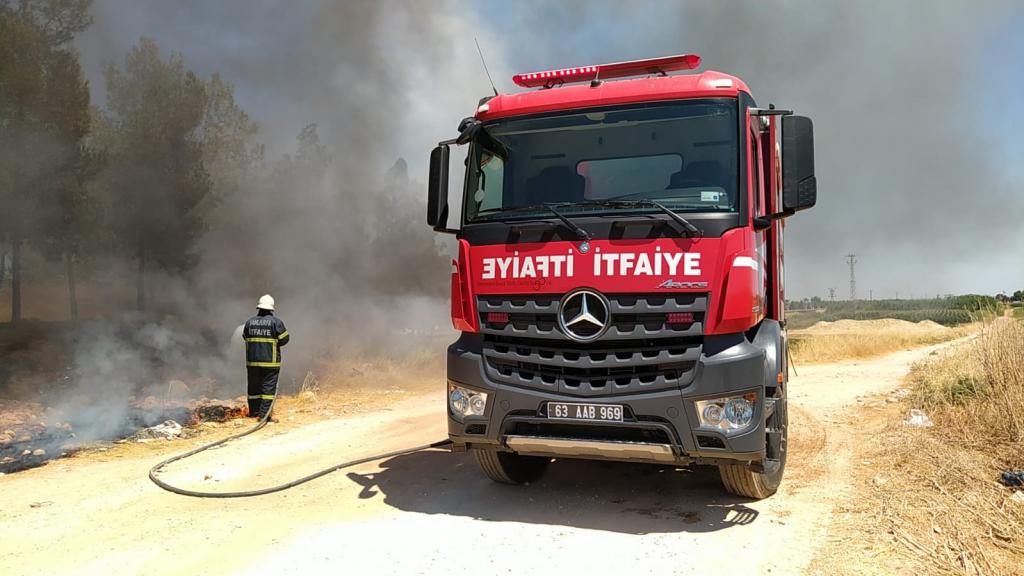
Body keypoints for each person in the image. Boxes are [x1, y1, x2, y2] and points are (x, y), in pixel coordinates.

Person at [242, 294, 290, 419]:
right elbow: (285, 340)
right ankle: (264, 415)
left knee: (253, 388)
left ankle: (254, 412)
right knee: (268, 390)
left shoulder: (249, 322)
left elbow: (245, 337)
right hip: (270, 363)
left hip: (252, 363)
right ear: (271, 309)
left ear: (259, 307)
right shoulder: (276, 323)